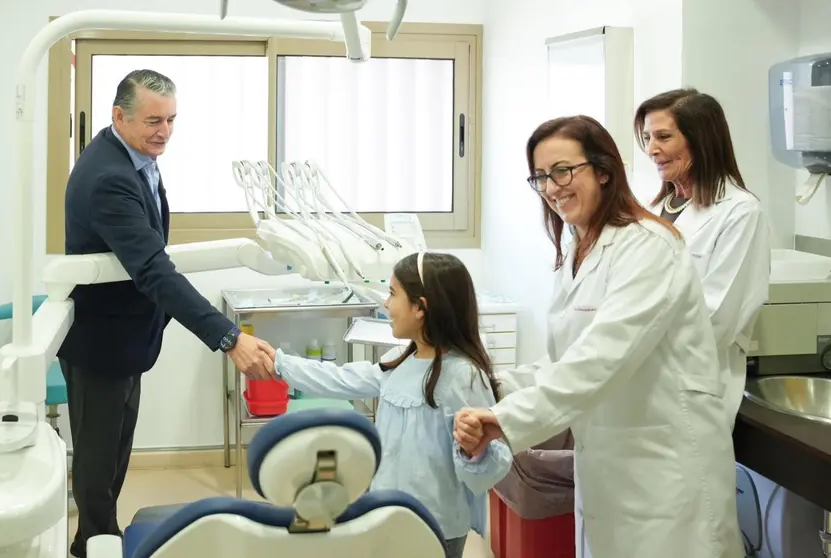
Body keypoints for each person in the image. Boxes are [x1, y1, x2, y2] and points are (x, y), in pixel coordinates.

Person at [452, 115, 741, 558]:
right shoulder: (577, 249)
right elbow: (563, 360)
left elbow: (600, 358)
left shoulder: (648, 246)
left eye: (563, 170)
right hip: (609, 467)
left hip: (664, 469)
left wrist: (505, 421)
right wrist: (489, 385)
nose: (552, 187)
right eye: (541, 177)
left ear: (603, 171)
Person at [58, 69, 274, 558]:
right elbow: (154, 269)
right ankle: (91, 543)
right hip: (101, 345)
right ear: (119, 116)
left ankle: (97, 538)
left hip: (128, 339)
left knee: (113, 460)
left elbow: (150, 254)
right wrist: (228, 337)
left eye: (172, 120)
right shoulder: (109, 178)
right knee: (97, 468)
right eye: (154, 120)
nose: (165, 131)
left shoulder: (129, 153)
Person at [262, 252, 512, 558]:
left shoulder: (463, 376)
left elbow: (487, 469)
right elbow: (339, 379)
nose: (386, 304)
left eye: (393, 294)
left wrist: (475, 450)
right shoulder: (400, 365)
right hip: (387, 515)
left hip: (435, 527)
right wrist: (278, 362)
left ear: (421, 307)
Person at [635, 88, 771, 429]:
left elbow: (716, 319)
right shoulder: (652, 209)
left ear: (701, 140)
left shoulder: (740, 212)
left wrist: (630, 342)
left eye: (664, 137)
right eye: (648, 137)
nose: (652, 149)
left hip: (690, 389)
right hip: (640, 382)